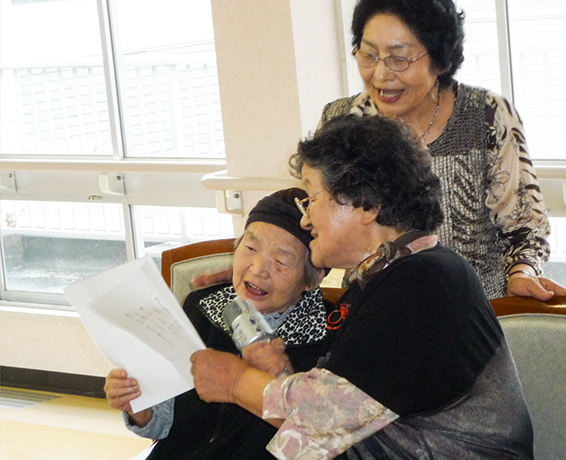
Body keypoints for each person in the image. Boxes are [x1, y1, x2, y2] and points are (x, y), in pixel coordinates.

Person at [189, 115, 534, 459]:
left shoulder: (420, 284)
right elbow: (337, 421)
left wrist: (234, 382)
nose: (306, 218)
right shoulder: (390, 276)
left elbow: (321, 419)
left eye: (312, 197)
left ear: (365, 204)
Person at [319, 0, 566, 300]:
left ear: (440, 60)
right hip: (375, 314)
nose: (380, 74)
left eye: (399, 58)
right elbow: (319, 219)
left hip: (476, 314)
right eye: (369, 55)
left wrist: (521, 274)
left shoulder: (486, 116)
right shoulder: (342, 122)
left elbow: (524, 227)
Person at [104, 188, 332, 460]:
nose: (258, 268)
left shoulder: (331, 336)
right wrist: (140, 409)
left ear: (314, 277)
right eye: (250, 248)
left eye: (281, 260)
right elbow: (168, 422)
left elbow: (326, 444)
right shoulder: (201, 305)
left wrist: (285, 383)